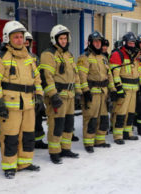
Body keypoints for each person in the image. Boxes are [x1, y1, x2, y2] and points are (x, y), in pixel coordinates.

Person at [0, 21, 43, 178]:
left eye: (21, 37)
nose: (20, 40)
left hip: (28, 104)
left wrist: (40, 96)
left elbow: (37, 80)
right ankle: (9, 166)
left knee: (28, 135)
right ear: (7, 38)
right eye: (16, 37)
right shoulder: (0, 57)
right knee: (10, 137)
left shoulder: (29, 57)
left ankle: (25, 162)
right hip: (9, 106)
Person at [39, 24, 82, 164]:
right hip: (57, 96)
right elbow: (46, 76)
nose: (64, 41)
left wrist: (78, 92)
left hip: (69, 95)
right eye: (61, 38)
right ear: (54, 39)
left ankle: (66, 148)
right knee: (56, 124)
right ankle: (54, 152)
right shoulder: (48, 54)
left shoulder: (68, 55)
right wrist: (53, 95)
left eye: (65, 38)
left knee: (69, 124)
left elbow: (75, 75)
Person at [77, 31, 115, 153]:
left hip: (103, 92)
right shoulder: (85, 57)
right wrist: (85, 91)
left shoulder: (104, 58)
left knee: (103, 118)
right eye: (95, 41)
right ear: (90, 43)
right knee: (91, 118)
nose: (98, 44)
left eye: (99, 41)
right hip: (92, 93)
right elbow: (81, 76)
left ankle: (100, 140)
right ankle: (89, 143)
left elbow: (109, 75)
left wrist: (112, 89)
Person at [109, 32, 141, 145]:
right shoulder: (117, 54)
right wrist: (118, 89)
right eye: (130, 42)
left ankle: (127, 132)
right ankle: (118, 135)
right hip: (124, 90)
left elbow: (138, 71)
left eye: (134, 43)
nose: (132, 45)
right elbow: (115, 74)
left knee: (130, 113)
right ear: (125, 43)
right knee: (120, 113)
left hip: (134, 89)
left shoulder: (135, 55)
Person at [24, 32, 48, 149]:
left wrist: (39, 92)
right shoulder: (14, 57)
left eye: (28, 41)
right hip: (21, 94)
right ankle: (25, 142)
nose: (26, 43)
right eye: (25, 41)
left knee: (37, 118)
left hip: (34, 92)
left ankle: (38, 141)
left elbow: (38, 76)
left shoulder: (34, 57)